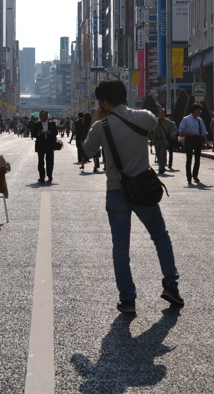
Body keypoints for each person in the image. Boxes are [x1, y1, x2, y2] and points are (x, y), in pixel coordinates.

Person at [82, 78, 183, 314]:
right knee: (160, 236)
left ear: (105, 102)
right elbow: (151, 119)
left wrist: (97, 118)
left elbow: (87, 152)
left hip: (116, 190)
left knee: (120, 247)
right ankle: (171, 284)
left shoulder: (100, 127)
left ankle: (128, 298)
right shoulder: (144, 116)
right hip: (143, 189)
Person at [178, 103, 209, 185]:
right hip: (189, 138)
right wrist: (188, 132)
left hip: (197, 139)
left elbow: (203, 131)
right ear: (194, 110)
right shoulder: (186, 119)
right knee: (189, 158)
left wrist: (206, 141)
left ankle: (195, 175)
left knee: (197, 159)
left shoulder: (200, 120)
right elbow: (181, 129)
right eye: (199, 110)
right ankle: (189, 176)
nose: (200, 112)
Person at [32, 110, 57, 182]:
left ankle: (50, 175)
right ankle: (42, 176)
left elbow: (55, 132)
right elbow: (33, 134)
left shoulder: (52, 124)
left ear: (47, 116)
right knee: (41, 161)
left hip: (50, 145)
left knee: (50, 161)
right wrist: (39, 134)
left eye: (44, 115)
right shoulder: (37, 124)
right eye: (42, 115)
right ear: (40, 116)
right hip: (41, 145)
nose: (43, 117)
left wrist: (49, 132)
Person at [151, 109, 174, 175]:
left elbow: (170, 131)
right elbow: (152, 129)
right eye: (160, 113)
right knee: (158, 154)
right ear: (158, 114)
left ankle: (161, 168)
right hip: (156, 140)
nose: (161, 114)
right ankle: (161, 165)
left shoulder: (168, 122)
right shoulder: (155, 121)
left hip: (164, 140)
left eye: (163, 113)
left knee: (162, 154)